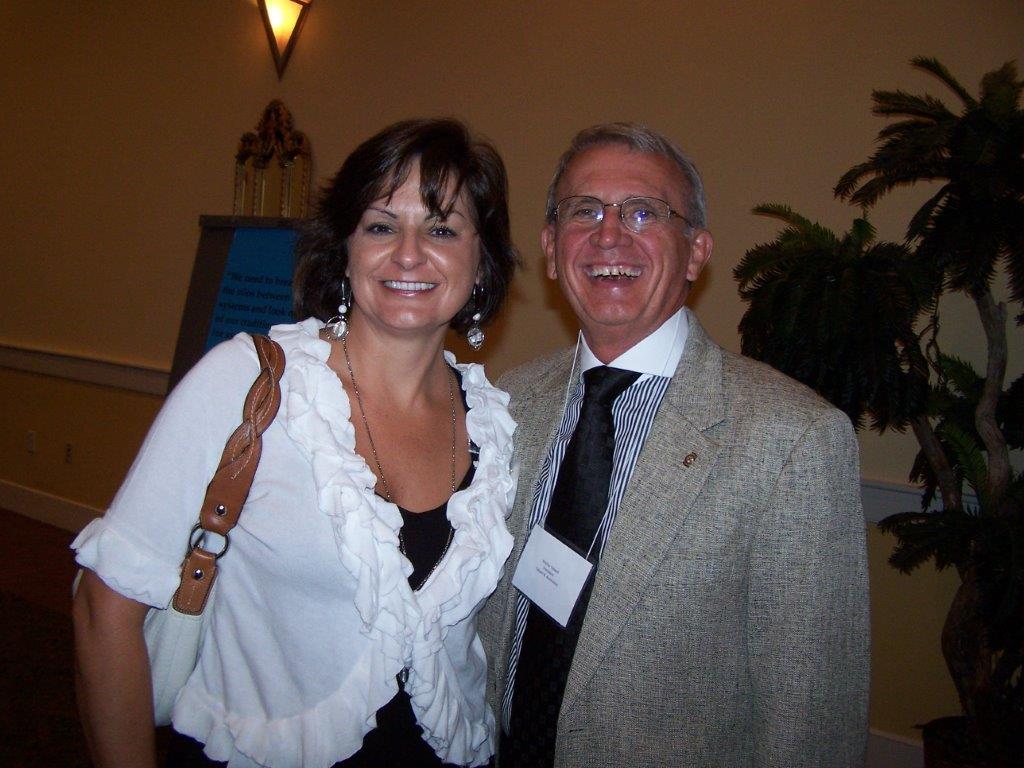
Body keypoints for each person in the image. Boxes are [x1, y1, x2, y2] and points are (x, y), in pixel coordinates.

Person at [72, 118, 519, 768]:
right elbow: (103, 607)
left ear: (481, 263)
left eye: (443, 228)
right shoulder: (250, 383)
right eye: (380, 225)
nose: (409, 252)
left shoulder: (493, 421)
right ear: (344, 249)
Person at [478, 123, 870, 767]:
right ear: (551, 248)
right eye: (585, 211)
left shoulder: (794, 439)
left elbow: (812, 718)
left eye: (643, 212)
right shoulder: (507, 404)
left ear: (696, 251)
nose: (609, 235)